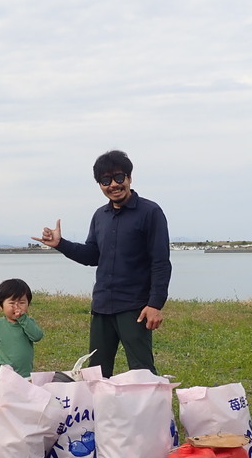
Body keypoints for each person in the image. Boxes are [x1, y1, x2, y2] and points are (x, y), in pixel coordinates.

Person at [32, 150, 171, 377]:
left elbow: (161, 262)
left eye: (118, 177)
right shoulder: (100, 216)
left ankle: (154, 412)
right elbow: (92, 256)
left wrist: (155, 304)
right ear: (100, 184)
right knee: (96, 373)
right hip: (102, 307)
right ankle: (98, 412)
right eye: (105, 181)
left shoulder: (150, 212)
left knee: (142, 371)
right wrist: (60, 244)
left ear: (129, 178)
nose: (113, 185)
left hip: (134, 307)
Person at [0, 278, 44, 409]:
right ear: (1, 306)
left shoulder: (28, 323)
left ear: (28, 305)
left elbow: (37, 336)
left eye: (22, 302)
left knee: (22, 409)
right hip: (1, 378)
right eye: (12, 303)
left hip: (25, 377)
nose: (17, 307)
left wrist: (23, 320)